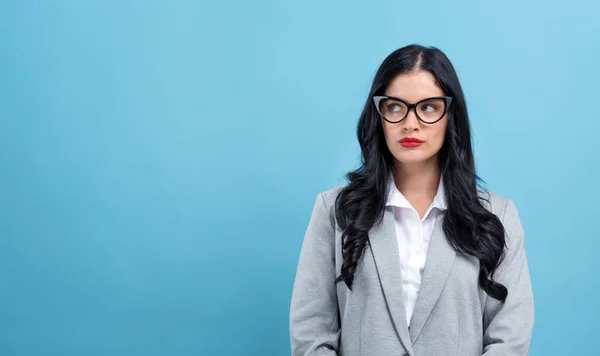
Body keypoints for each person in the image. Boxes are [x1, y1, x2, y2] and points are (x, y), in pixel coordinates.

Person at [289, 44, 534, 356]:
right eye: (395, 107)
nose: (410, 123)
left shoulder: (498, 216)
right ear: (379, 116)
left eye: (429, 107)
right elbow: (311, 335)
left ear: (451, 116)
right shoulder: (333, 211)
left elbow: (510, 340)